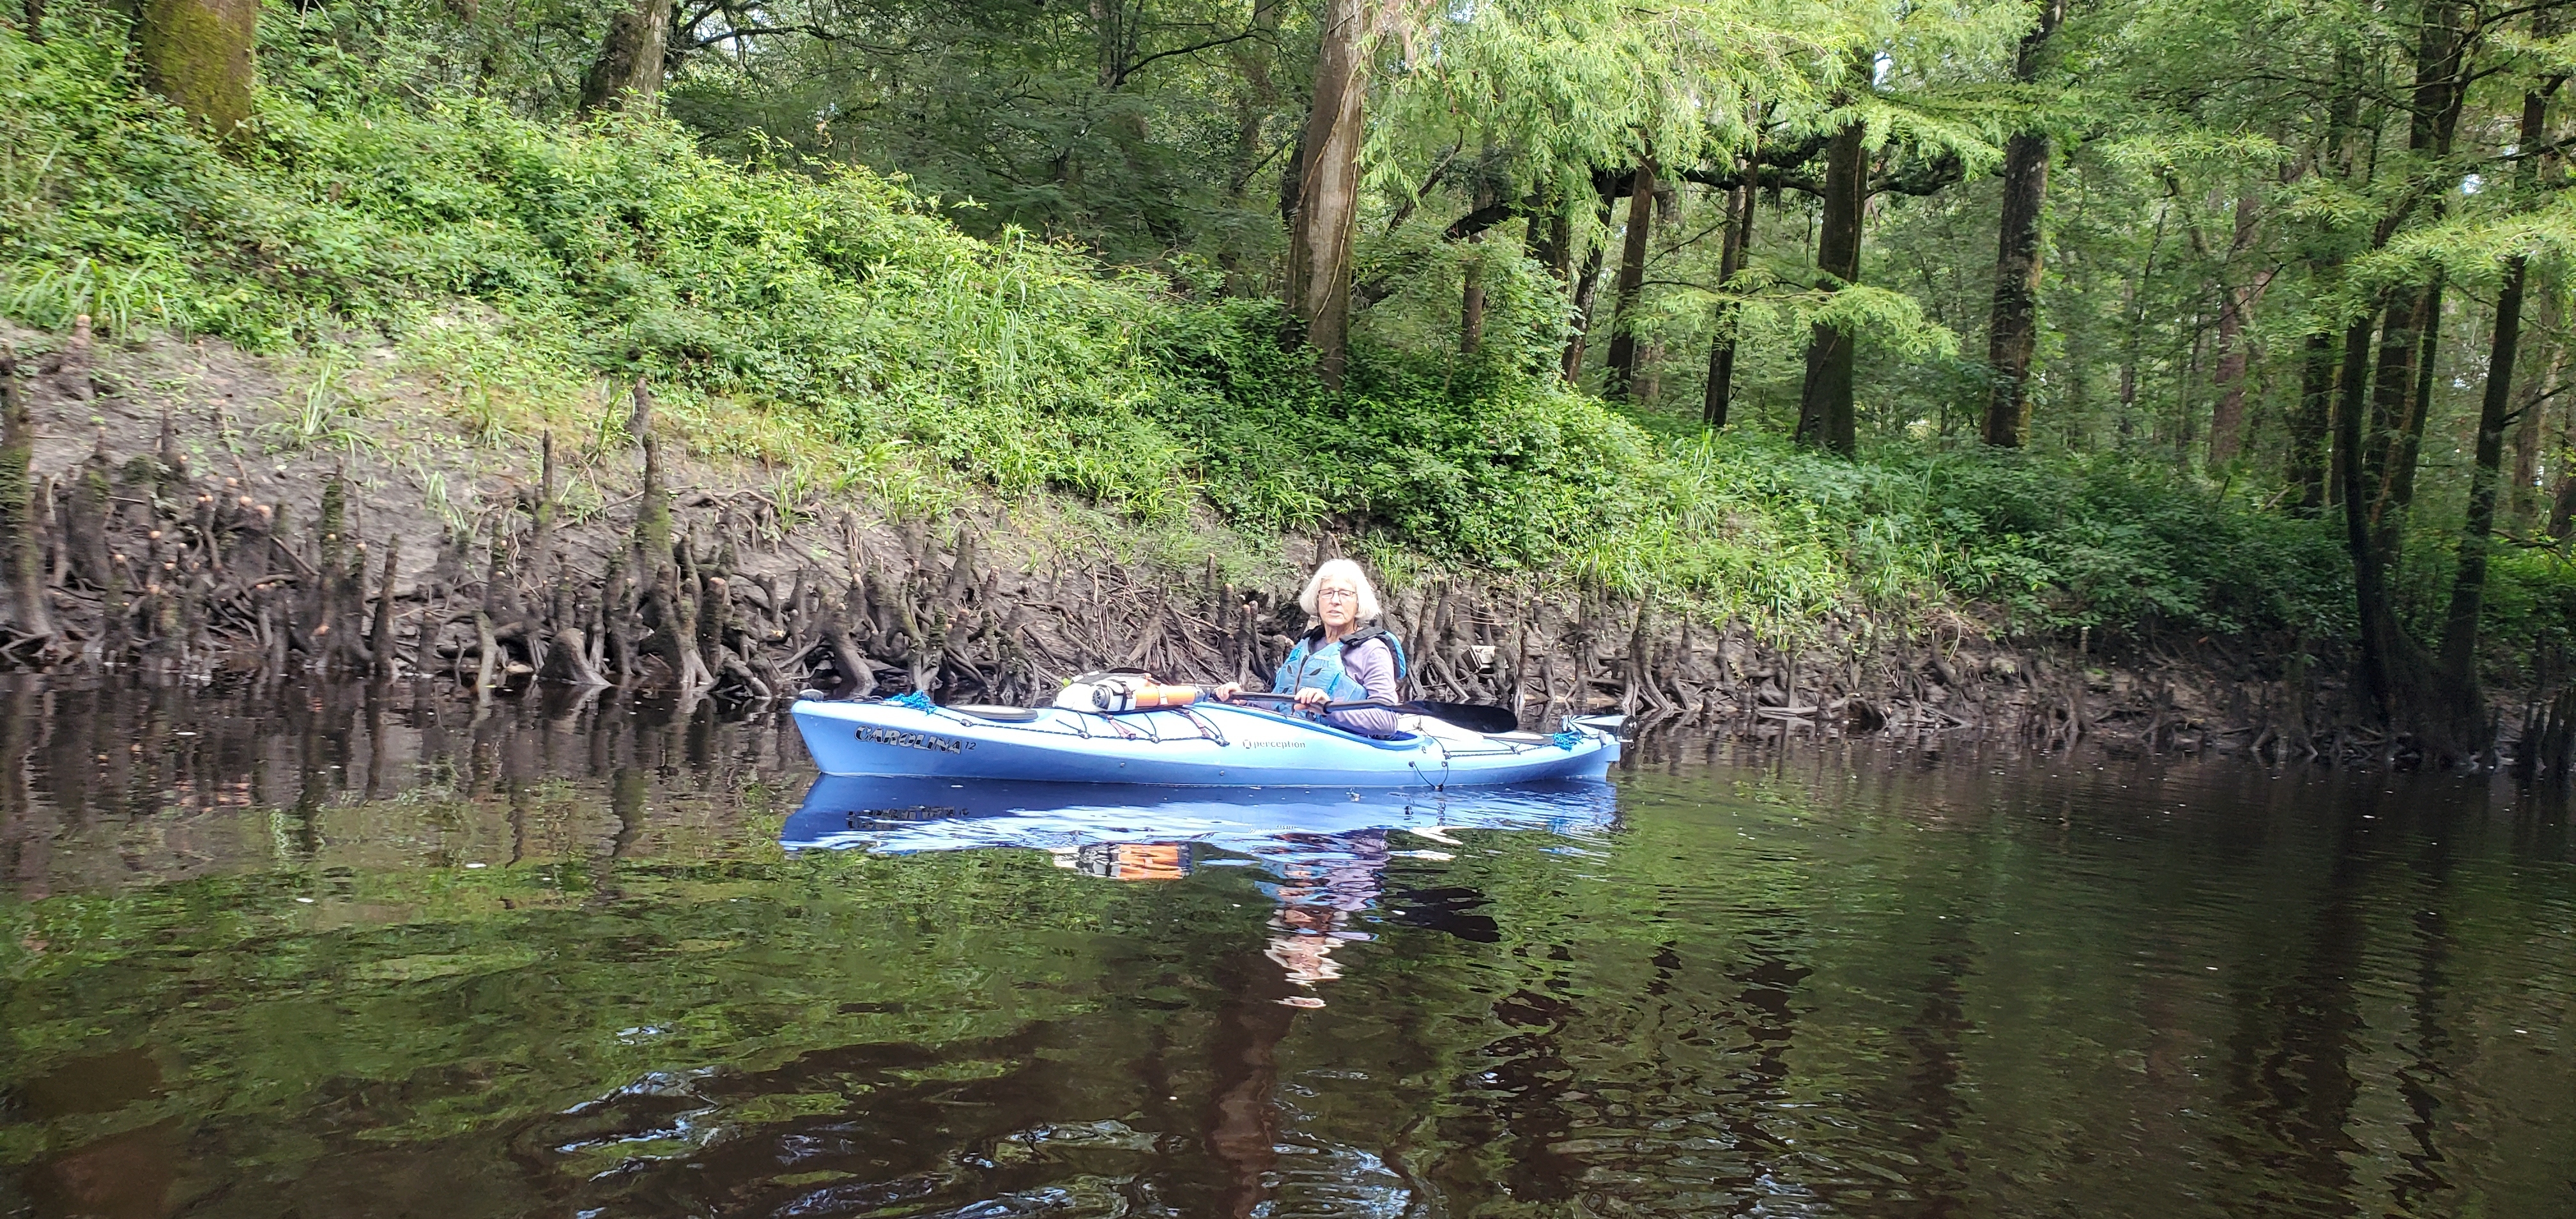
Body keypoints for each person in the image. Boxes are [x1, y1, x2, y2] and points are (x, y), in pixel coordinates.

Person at [1214, 559, 1405, 737]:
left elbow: (1387, 721)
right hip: (1290, 740)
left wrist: (1328, 708)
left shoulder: (1372, 651)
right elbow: (1281, 703)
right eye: (1328, 593)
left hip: (1341, 749)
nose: (1335, 601)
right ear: (1318, 599)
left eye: (1346, 594)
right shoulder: (1307, 644)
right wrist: (1243, 699)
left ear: (1358, 602)